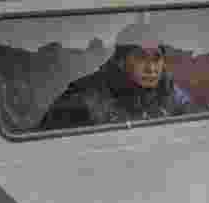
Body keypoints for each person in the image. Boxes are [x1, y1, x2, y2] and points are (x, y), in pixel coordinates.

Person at [39, 21, 193, 130]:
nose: (151, 68)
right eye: (140, 58)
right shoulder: (83, 100)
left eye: (156, 58)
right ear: (120, 61)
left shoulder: (171, 92)